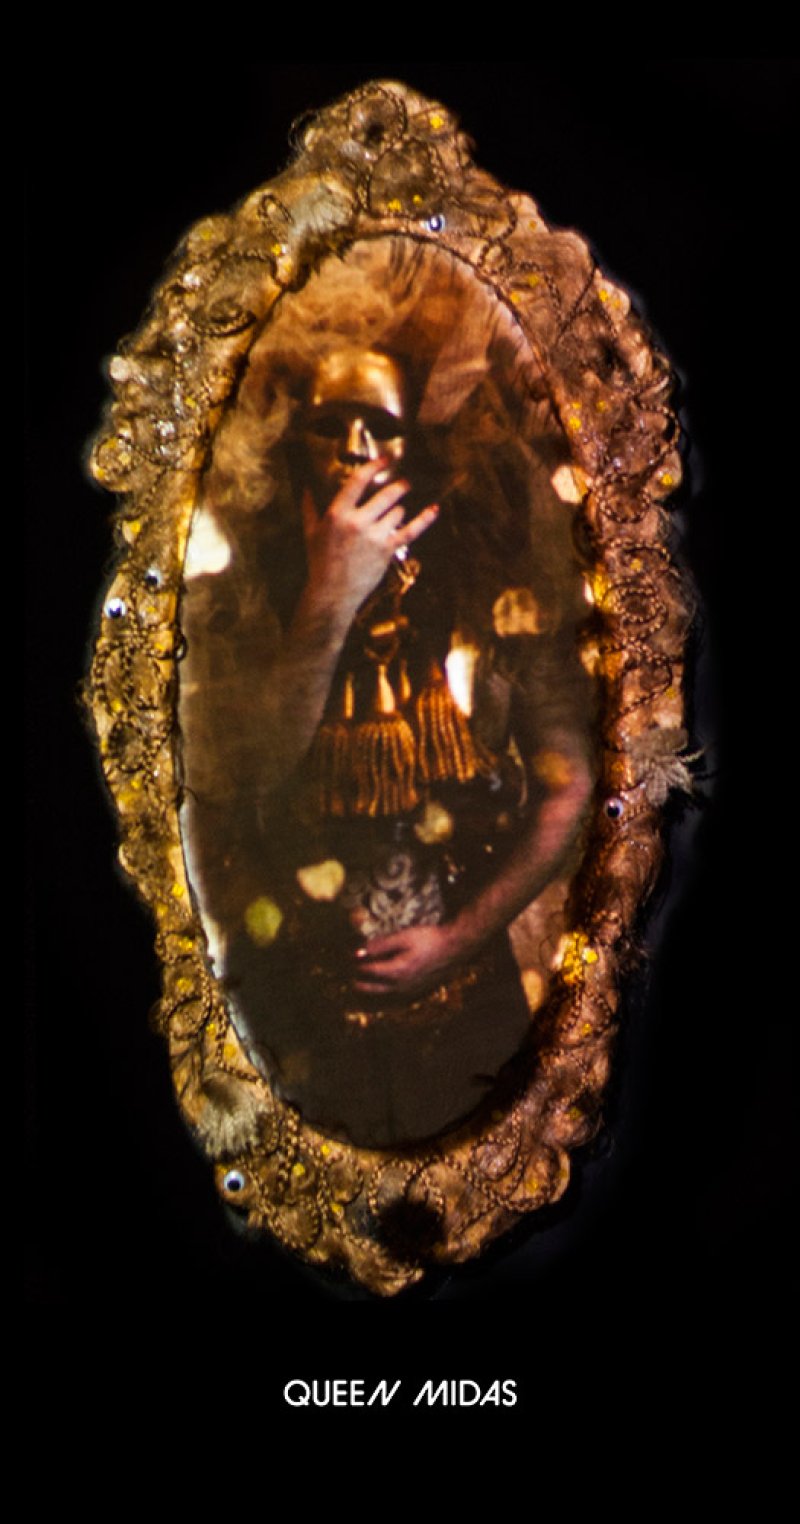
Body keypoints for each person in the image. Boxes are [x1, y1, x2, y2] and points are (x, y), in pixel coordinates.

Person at [178, 239, 595, 1146]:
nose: (359, 451)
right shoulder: (231, 607)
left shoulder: (488, 589)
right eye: (334, 424)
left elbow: (573, 783)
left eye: (384, 428)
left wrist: (466, 936)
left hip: (472, 1018)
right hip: (292, 1026)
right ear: (294, 444)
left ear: (414, 448)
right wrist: (331, 588)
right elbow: (230, 781)